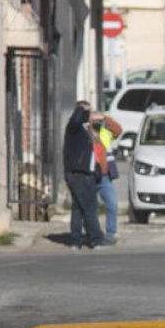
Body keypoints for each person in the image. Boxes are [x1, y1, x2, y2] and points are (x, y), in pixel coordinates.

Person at [63, 102, 112, 250]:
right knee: (90, 208)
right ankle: (97, 239)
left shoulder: (85, 130)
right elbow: (76, 119)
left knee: (78, 208)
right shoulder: (74, 127)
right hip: (80, 174)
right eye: (88, 111)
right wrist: (82, 109)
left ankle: (75, 240)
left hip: (85, 173)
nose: (91, 115)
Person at [93, 113, 124, 241]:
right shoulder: (86, 135)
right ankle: (93, 233)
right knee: (91, 207)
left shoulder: (104, 134)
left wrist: (104, 118)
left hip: (104, 176)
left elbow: (118, 130)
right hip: (90, 175)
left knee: (112, 204)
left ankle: (111, 232)